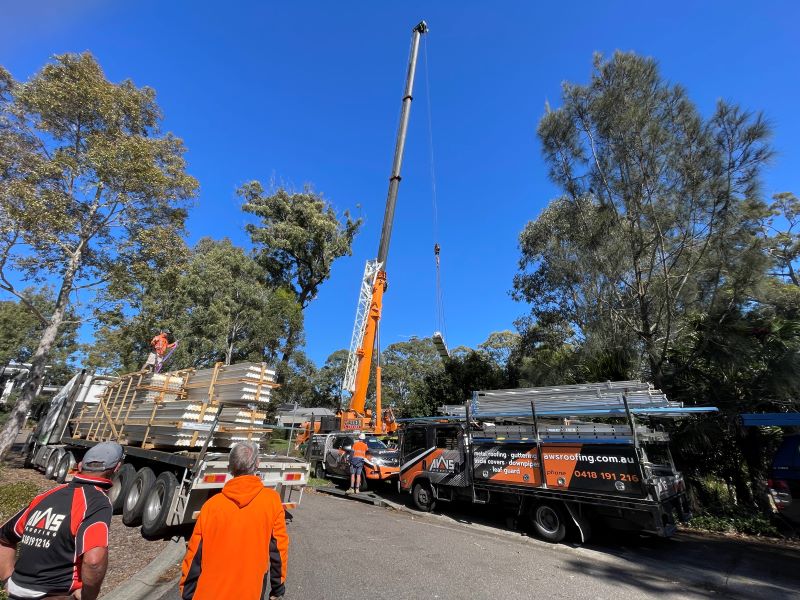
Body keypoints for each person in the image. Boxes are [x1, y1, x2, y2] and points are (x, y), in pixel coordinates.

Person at [0, 441, 124, 600]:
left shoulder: (45, 496)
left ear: (79, 466)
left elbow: (4, 537)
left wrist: (7, 580)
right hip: (55, 595)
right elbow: (94, 561)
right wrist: (87, 597)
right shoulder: (96, 502)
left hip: (16, 592)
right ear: (117, 468)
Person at [180, 441, 288, 600]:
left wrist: (187, 592)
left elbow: (195, 554)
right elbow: (278, 549)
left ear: (230, 467)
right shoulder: (271, 501)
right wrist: (277, 588)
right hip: (250, 591)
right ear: (257, 463)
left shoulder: (211, 506)